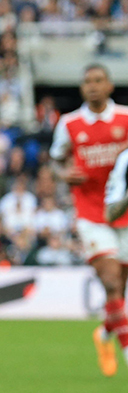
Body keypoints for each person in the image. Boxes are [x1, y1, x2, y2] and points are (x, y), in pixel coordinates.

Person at [51, 64, 128, 376]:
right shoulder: (69, 123)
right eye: (87, 82)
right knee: (111, 281)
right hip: (90, 213)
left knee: (119, 289)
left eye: (98, 81)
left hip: (123, 209)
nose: (92, 86)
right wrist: (63, 174)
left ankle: (105, 332)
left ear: (109, 86)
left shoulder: (125, 117)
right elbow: (56, 160)